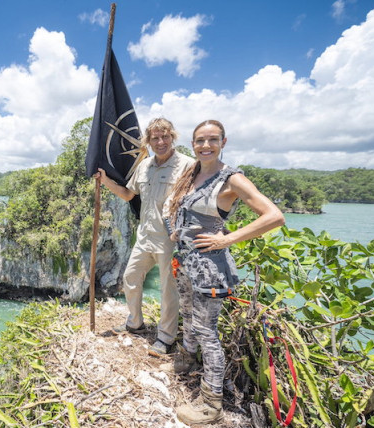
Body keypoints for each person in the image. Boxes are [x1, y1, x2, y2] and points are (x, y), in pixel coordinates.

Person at [165, 119, 285, 425]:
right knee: (189, 318)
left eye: (212, 140)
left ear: (223, 142)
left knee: (208, 333)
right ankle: (187, 361)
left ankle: (211, 404)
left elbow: (274, 216)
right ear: (192, 144)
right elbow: (181, 209)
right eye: (200, 140)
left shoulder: (231, 179)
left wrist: (227, 238)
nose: (205, 145)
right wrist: (176, 231)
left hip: (209, 268)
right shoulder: (192, 173)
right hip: (186, 263)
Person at [95, 117, 195, 356]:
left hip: (170, 240)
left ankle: (166, 337)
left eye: (165, 136)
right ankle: (135, 321)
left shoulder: (188, 166)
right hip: (145, 236)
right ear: (148, 141)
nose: (160, 142)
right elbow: (129, 195)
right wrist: (105, 181)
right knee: (130, 277)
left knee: (168, 289)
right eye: (155, 138)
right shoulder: (144, 166)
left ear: (173, 137)